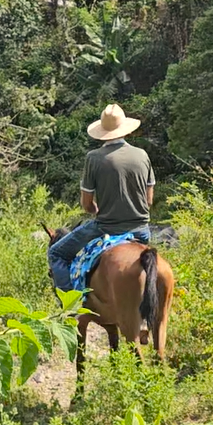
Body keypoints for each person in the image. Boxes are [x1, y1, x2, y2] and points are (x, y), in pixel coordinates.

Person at [47, 104, 155, 292]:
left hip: (106, 228)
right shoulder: (142, 155)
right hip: (141, 231)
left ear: (102, 132)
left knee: (56, 253)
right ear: (126, 129)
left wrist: (97, 210)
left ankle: (71, 304)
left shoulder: (94, 158)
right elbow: (149, 201)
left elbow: (87, 204)